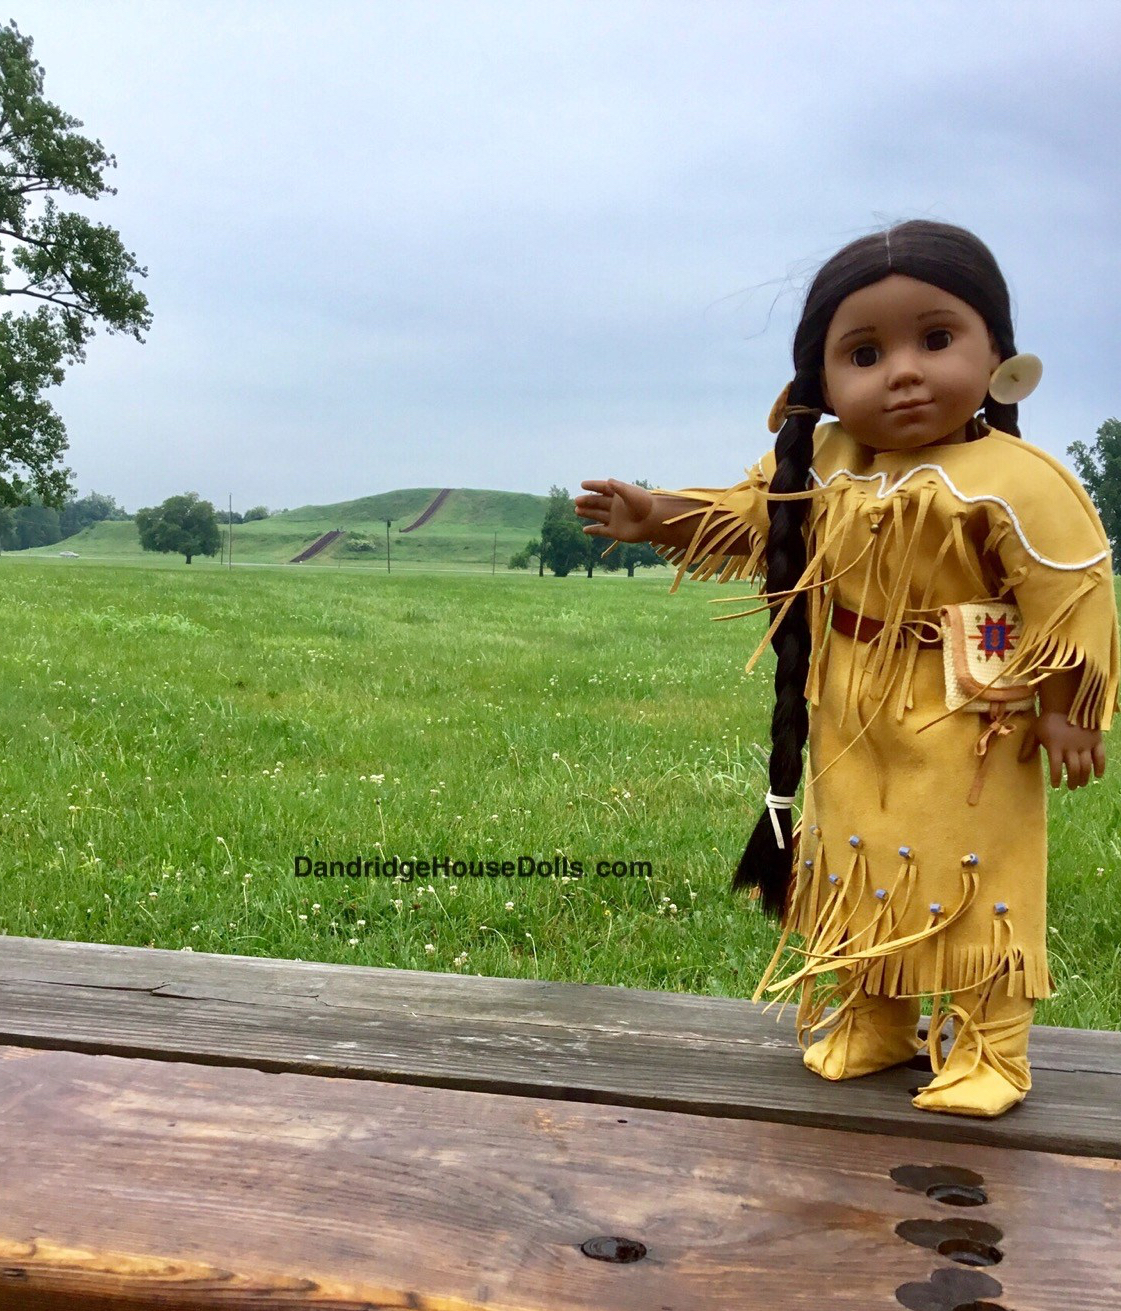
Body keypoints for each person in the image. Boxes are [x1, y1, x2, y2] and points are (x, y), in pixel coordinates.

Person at [574, 220, 1119, 1118]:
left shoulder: (1016, 478)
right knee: (860, 857)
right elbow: (756, 516)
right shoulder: (824, 462)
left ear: (996, 354)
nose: (903, 370)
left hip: (970, 707)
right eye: (865, 352)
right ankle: (873, 1012)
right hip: (846, 697)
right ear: (819, 383)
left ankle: (989, 1043)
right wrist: (659, 514)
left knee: (968, 860)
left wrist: (1068, 709)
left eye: (935, 339)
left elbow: (1070, 595)